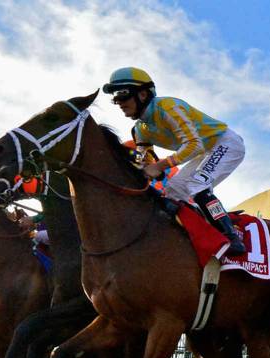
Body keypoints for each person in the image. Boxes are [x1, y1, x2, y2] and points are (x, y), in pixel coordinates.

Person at [103, 67, 247, 256]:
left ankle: (231, 237)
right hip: (205, 151)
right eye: (114, 97)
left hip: (225, 143)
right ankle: (197, 232)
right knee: (172, 192)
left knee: (198, 184)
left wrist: (160, 166)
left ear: (143, 94)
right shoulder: (140, 129)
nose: (118, 102)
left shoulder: (168, 108)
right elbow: (141, 160)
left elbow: (193, 145)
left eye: (122, 94)